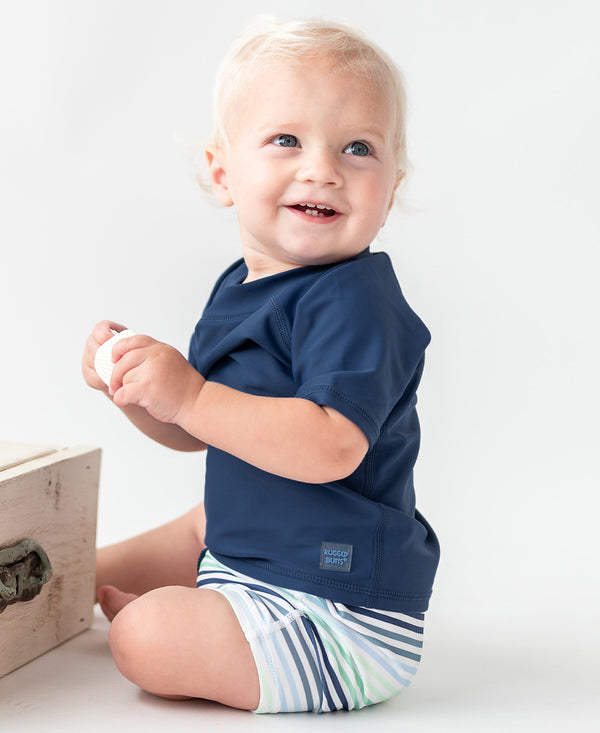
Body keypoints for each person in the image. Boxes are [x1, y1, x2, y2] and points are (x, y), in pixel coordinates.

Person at [83, 16, 440, 714]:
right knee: (203, 518)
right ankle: (76, 580)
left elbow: (332, 443)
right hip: (257, 556)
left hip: (338, 608)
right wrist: (139, 392)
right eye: (286, 140)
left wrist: (188, 395)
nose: (323, 168)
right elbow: (201, 430)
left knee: (143, 640)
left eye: (358, 148)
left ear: (390, 188)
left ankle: (157, 621)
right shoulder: (240, 287)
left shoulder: (357, 302)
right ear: (222, 173)